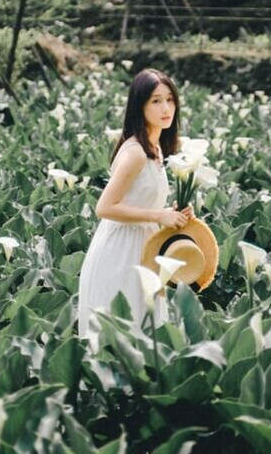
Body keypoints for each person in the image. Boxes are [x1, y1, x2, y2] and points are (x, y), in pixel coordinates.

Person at [77, 68, 194, 336]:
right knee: (122, 333)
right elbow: (104, 208)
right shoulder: (136, 153)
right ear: (139, 106)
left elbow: (144, 203)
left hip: (144, 247)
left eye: (170, 99)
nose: (166, 108)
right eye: (155, 101)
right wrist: (158, 216)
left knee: (144, 335)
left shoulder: (156, 148)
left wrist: (172, 214)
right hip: (121, 253)